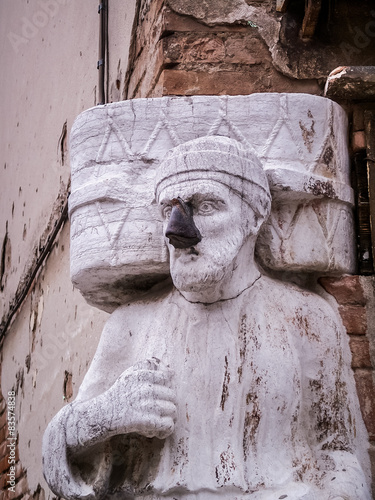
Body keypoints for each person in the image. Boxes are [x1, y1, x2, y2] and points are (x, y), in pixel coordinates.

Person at [43, 136, 371, 500]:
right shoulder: (131, 326)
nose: (178, 231)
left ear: (256, 214)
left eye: (205, 205)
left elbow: (341, 455)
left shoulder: (307, 319)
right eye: (168, 209)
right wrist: (103, 416)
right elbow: (57, 452)